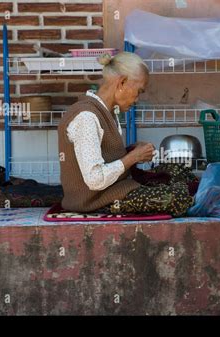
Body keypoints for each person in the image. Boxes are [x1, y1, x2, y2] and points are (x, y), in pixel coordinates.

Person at [58, 52, 196, 217]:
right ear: (122, 82)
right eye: (139, 91)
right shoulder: (86, 116)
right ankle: (199, 198)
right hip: (95, 200)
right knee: (177, 198)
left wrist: (130, 151)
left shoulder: (107, 111)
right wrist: (133, 158)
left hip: (117, 188)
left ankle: (197, 194)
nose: (137, 99)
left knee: (178, 171)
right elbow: (95, 179)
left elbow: (103, 155)